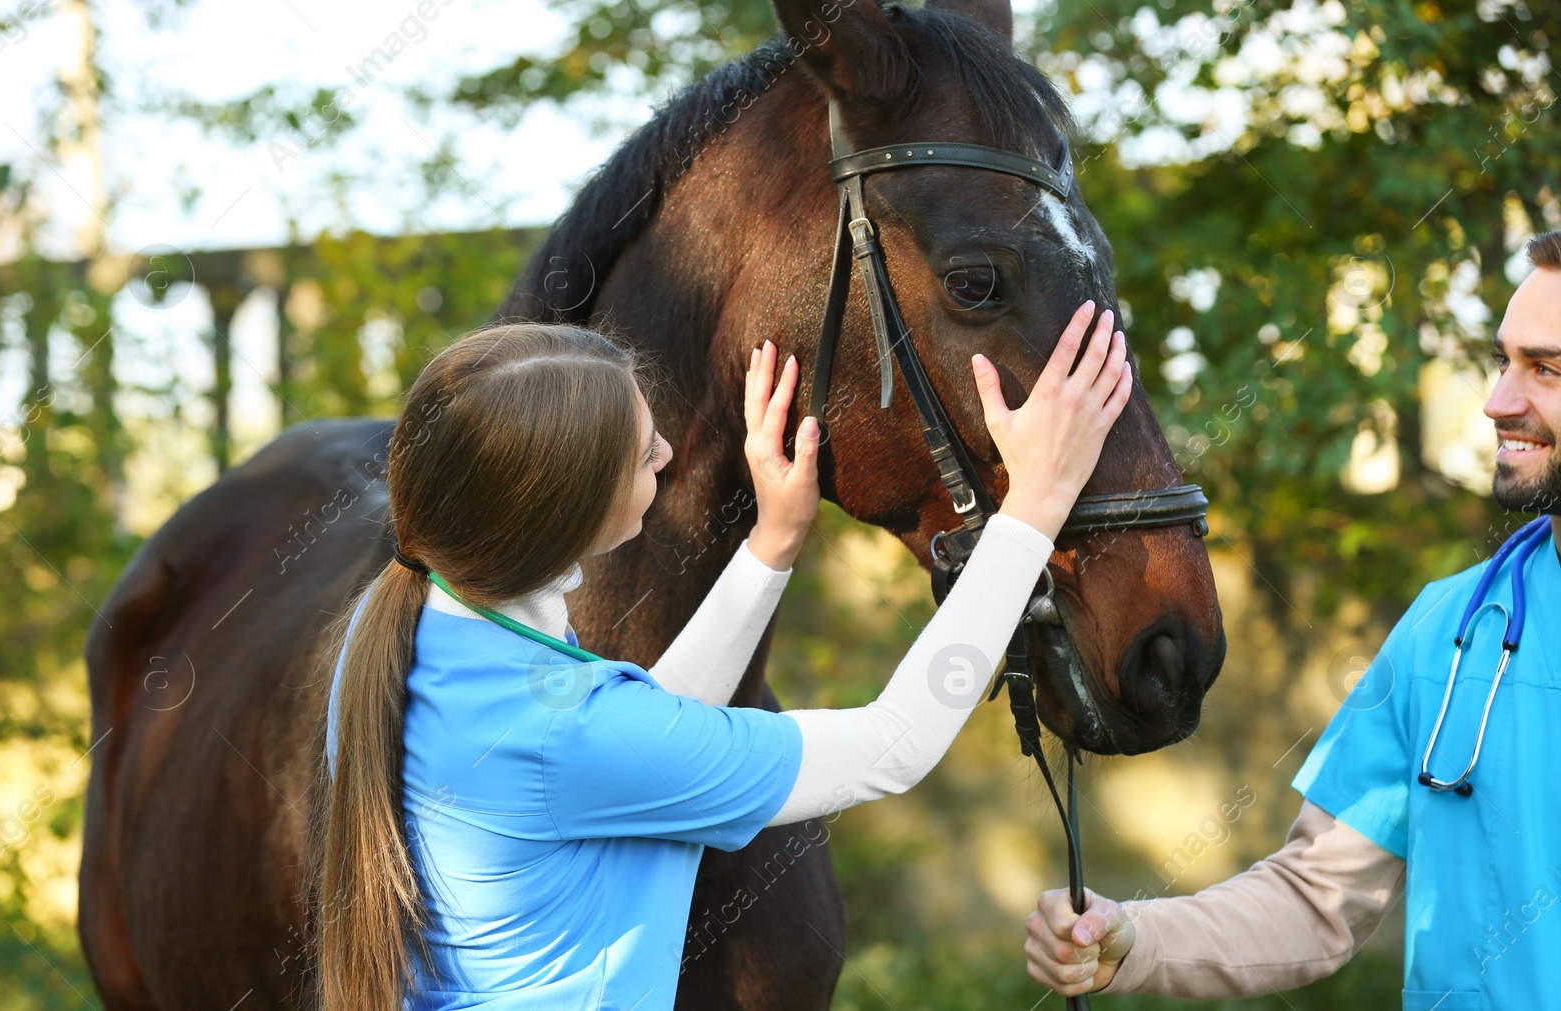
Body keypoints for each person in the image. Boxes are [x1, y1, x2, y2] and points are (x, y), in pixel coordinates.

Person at [315, 300, 1133, 1010]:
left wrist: (771, 544)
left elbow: (641, 740)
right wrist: (1035, 504)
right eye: (642, 453)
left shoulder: (414, 625)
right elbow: (892, 747)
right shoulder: (562, 734)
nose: (667, 456)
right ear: (559, 510)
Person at [1022, 230, 1561, 1010]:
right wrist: (1135, 938)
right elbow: (1316, 901)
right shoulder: (1448, 630)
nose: (1497, 400)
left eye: (1544, 368)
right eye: (1503, 360)